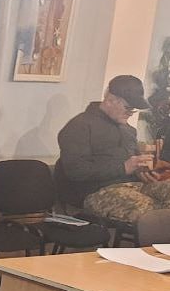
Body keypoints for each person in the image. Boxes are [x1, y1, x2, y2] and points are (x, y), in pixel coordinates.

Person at [57, 74, 170, 223]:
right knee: (153, 214)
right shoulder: (80, 126)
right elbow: (76, 171)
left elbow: (133, 164)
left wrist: (143, 171)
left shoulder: (128, 130)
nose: (130, 114)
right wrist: (124, 168)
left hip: (134, 185)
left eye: (133, 110)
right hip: (96, 191)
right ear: (110, 100)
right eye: (128, 108)